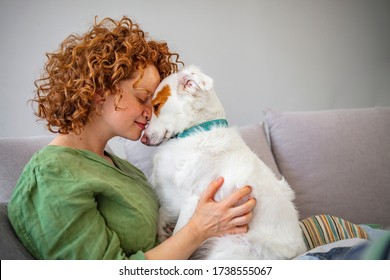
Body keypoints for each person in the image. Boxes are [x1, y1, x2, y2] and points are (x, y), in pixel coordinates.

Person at [7, 16, 256, 260]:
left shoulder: (111, 163)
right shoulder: (52, 177)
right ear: (99, 92)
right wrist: (198, 230)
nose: (151, 113)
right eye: (142, 97)